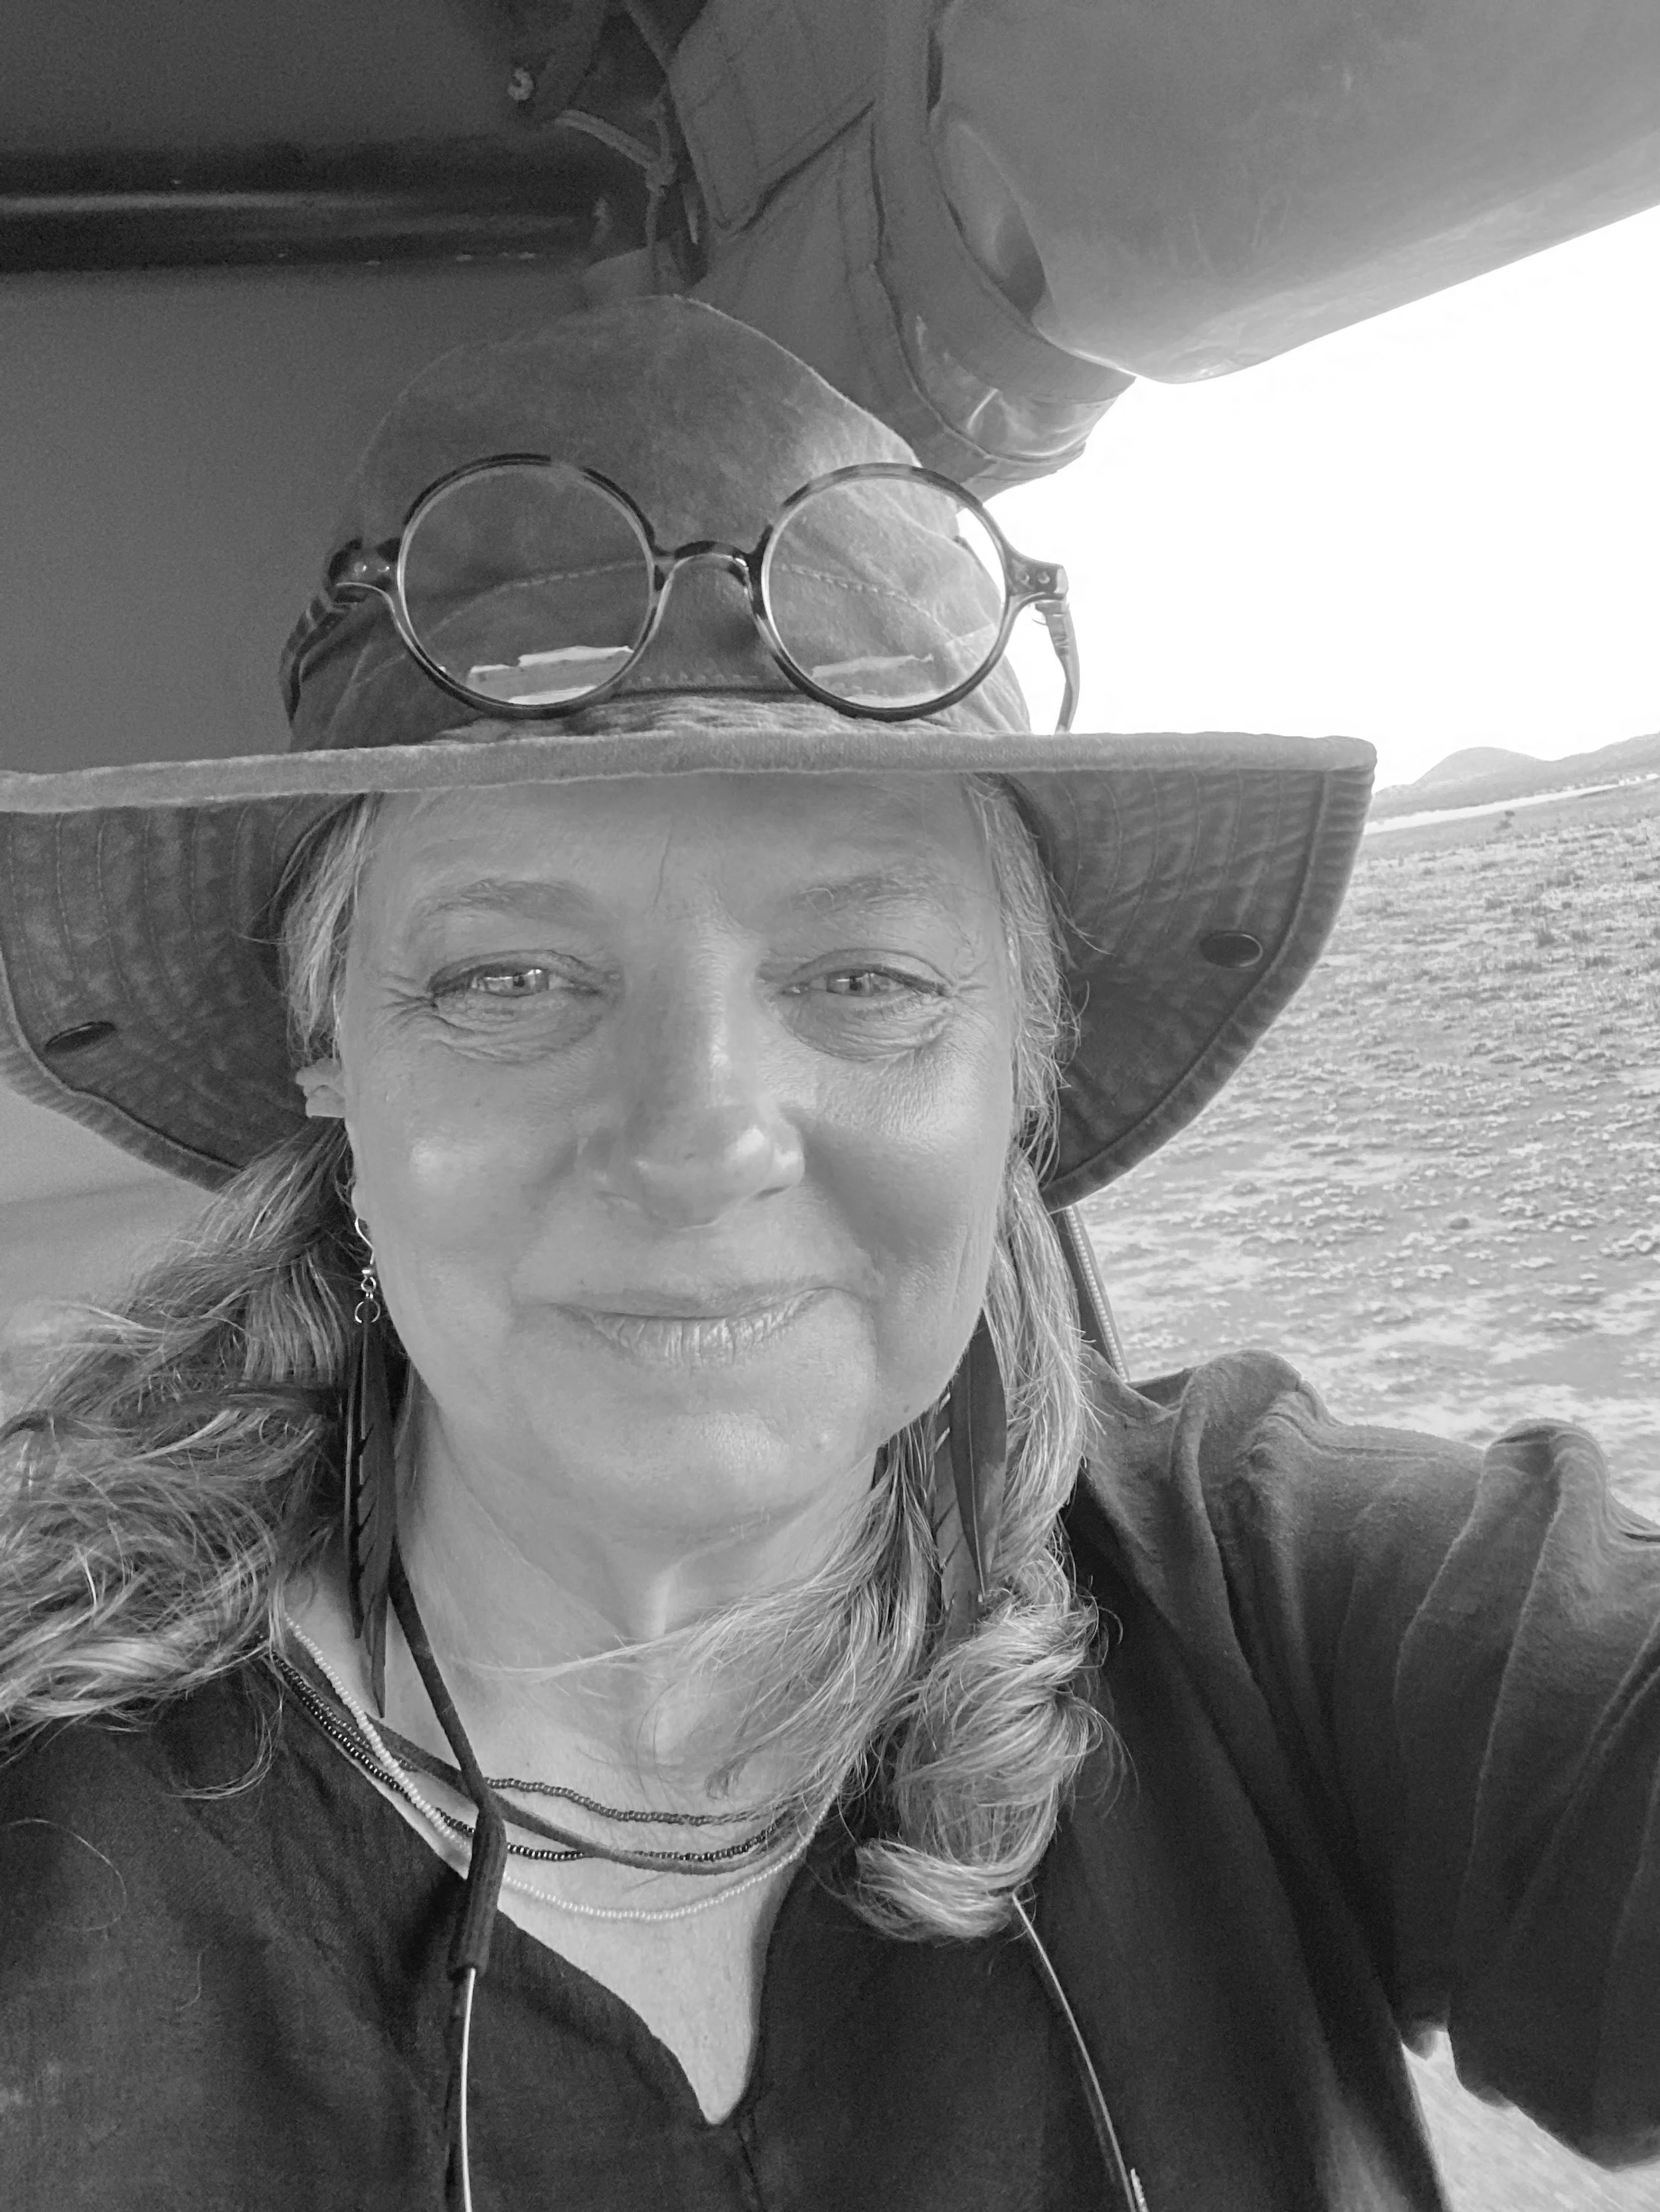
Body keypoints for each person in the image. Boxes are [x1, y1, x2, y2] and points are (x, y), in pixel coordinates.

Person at [0, 297, 1653, 2212]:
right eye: (509, 976)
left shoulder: (1265, 1598)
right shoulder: (56, 1842)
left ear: (1017, 1062)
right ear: (329, 1051)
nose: (700, 1136)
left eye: (861, 977)